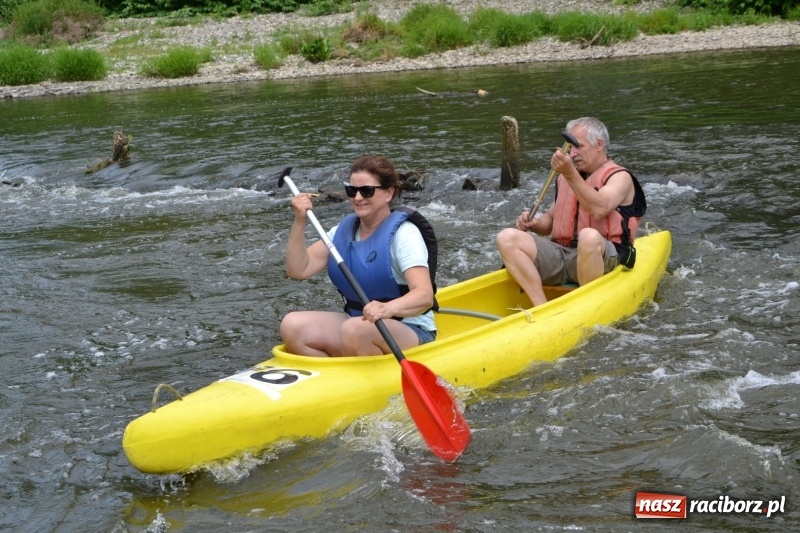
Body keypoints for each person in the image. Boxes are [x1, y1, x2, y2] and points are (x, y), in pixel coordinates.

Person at [280, 155, 438, 357]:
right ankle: (338, 378)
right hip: (357, 324)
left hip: (409, 330)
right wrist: (299, 220)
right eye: (351, 191)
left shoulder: (404, 235)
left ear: (389, 193)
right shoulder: (342, 231)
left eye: (367, 191)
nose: (358, 198)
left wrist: (387, 309)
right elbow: (298, 269)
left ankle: (367, 379)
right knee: (292, 326)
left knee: (355, 330)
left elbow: (424, 295)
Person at [495, 117, 646, 307]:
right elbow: (549, 221)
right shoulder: (567, 177)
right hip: (564, 254)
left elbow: (599, 208)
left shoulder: (620, 178)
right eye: (570, 148)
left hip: (602, 257)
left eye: (578, 147)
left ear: (599, 145)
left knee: (588, 237)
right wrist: (535, 224)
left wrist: (569, 173)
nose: (572, 154)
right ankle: (541, 307)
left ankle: (587, 306)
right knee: (507, 237)